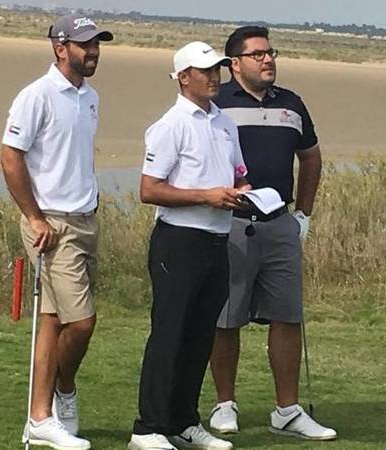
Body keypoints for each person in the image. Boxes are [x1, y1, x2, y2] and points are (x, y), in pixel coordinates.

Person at [207, 26, 336, 441]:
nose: (268, 60)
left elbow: (311, 158)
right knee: (226, 318)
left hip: (279, 223)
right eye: (258, 54)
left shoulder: (291, 104)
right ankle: (224, 403)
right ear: (234, 64)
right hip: (231, 222)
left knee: (287, 316)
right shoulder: (218, 102)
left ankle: (287, 410)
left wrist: (303, 215)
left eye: (270, 53)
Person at [128, 41, 250, 450]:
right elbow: (150, 189)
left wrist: (243, 191)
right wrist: (206, 197)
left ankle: (183, 421)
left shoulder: (225, 123)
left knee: (200, 335)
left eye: (217, 69)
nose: (215, 77)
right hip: (178, 241)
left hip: (217, 240)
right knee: (170, 333)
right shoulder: (171, 125)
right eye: (206, 70)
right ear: (183, 77)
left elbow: (237, 174)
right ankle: (148, 427)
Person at [0, 13, 113, 450]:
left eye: (97, 43)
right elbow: (11, 156)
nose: (94, 51)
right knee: (81, 322)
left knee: (52, 320)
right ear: (60, 48)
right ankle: (63, 391)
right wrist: (33, 218)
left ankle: (40, 417)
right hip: (49, 224)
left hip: (85, 220)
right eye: (85, 44)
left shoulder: (90, 97)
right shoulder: (37, 96)